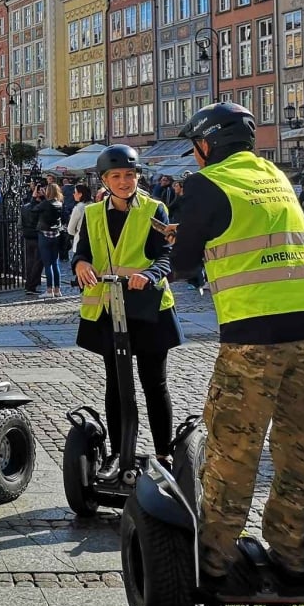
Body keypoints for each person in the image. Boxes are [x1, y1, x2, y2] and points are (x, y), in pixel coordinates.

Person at [168, 102, 304, 591]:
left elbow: (181, 262)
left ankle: (217, 561)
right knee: (299, 449)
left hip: (255, 333)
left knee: (233, 448)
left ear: (207, 145)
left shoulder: (207, 182)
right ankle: (291, 554)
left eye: (195, 146)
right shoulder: (274, 176)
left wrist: (183, 240)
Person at [71, 145, 182, 465]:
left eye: (130, 175)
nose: (124, 181)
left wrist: (148, 274)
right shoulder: (92, 214)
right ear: (104, 180)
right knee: (117, 385)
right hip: (110, 309)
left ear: (137, 177)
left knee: (154, 383)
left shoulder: (155, 210)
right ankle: (120, 454)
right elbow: (83, 253)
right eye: (116, 176)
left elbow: (166, 255)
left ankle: (163, 454)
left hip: (148, 307)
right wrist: (80, 264)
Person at [35, 180, 66, 297]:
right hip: (56, 235)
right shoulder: (59, 204)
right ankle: (57, 290)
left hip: (45, 234)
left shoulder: (45, 204)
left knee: (47, 264)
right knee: (55, 263)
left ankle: (49, 290)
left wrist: (41, 198)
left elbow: (34, 209)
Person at [19, 182, 44, 296]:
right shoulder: (41, 207)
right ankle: (31, 285)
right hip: (38, 236)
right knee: (38, 262)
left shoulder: (24, 207)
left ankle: (30, 284)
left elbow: (19, 224)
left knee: (29, 262)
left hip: (27, 236)